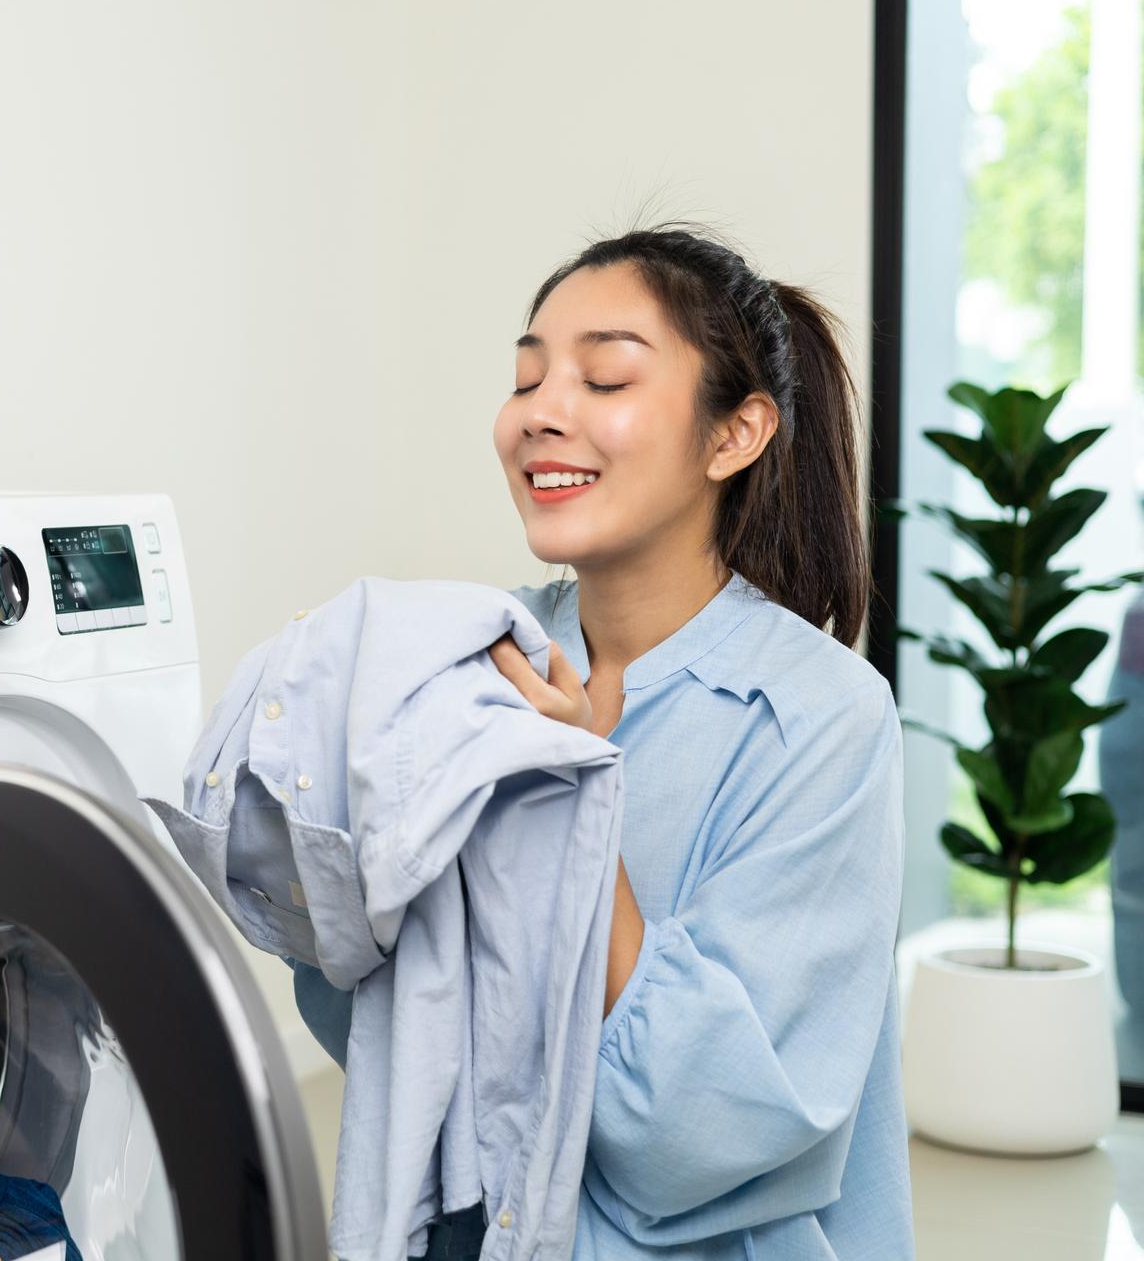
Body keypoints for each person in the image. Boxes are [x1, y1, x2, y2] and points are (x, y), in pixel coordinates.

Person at [289, 223, 913, 1259]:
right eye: (527, 378)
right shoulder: (465, 665)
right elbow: (384, 1031)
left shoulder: (821, 716)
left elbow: (701, 1132)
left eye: (605, 378)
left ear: (733, 434)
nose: (542, 414)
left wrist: (568, 798)